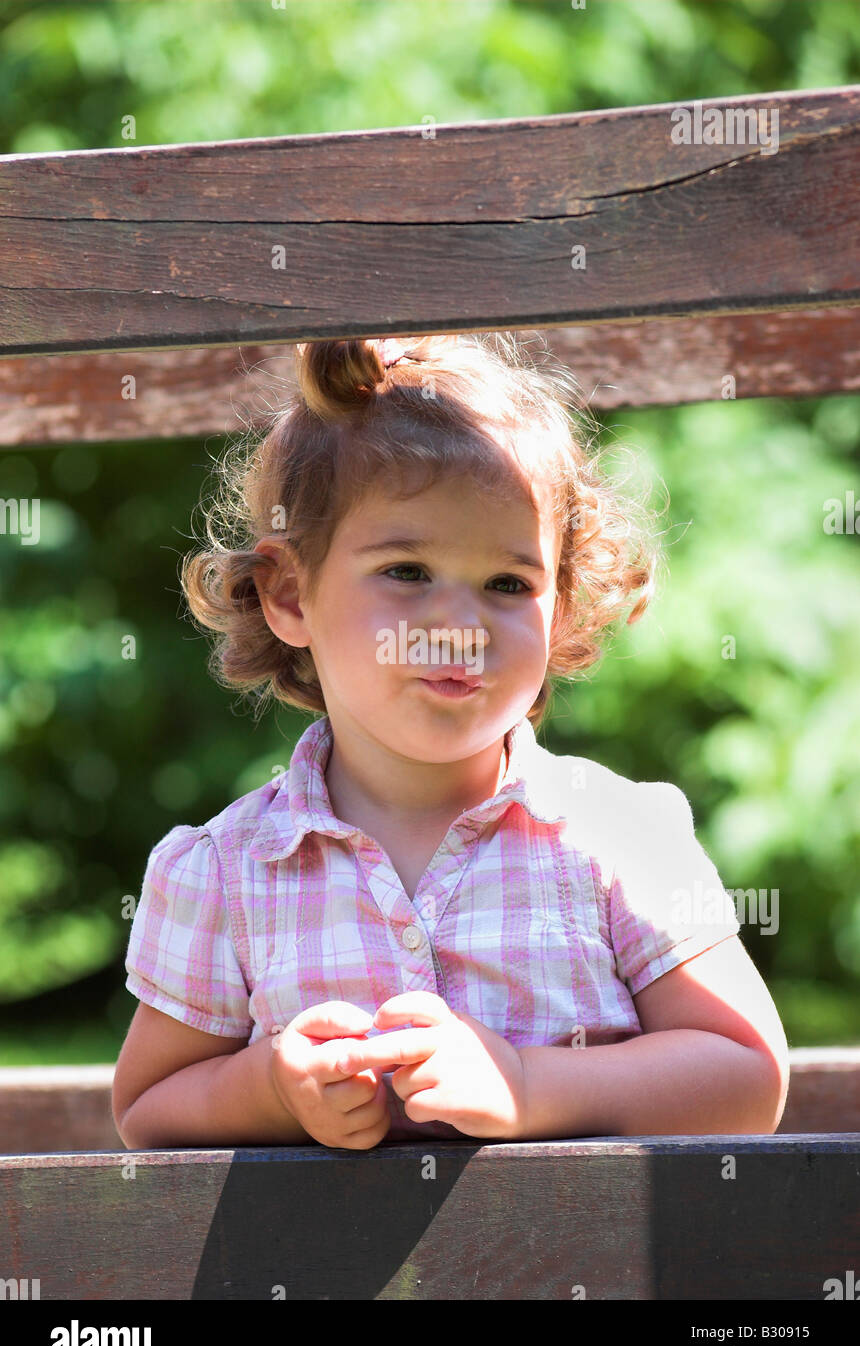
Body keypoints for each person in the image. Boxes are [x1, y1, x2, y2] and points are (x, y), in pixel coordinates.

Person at [112, 333, 789, 1152]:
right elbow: (148, 1107)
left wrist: (528, 1084)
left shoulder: (616, 837)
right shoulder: (225, 872)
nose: (459, 625)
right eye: (406, 571)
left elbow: (745, 1077)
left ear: (563, 606)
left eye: (509, 584)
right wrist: (272, 1090)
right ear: (289, 592)